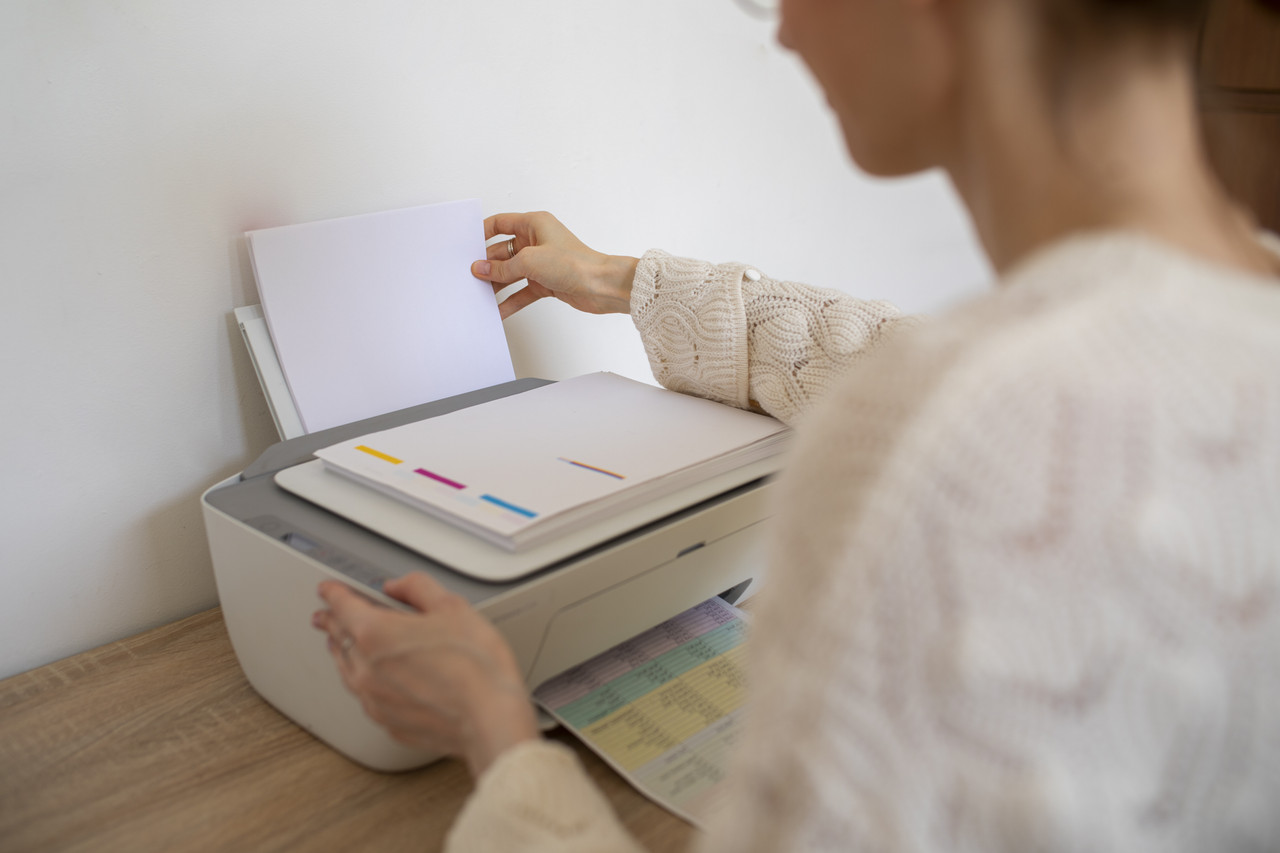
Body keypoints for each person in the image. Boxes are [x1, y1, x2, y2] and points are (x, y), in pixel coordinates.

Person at [312, 0, 1280, 847]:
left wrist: (497, 738)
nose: (784, 29)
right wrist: (617, 280)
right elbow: (879, 350)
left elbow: (929, 404)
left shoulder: (940, 441)